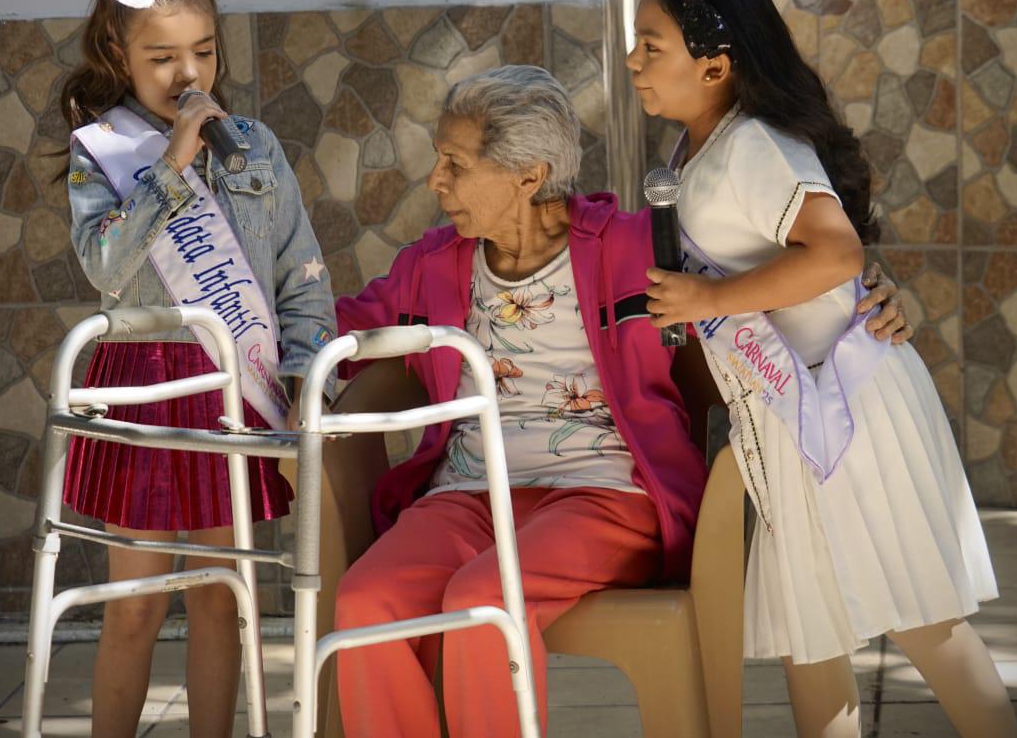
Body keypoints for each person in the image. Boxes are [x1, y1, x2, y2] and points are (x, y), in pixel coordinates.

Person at [328, 64, 910, 737]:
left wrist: (872, 291)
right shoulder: (433, 262)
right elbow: (338, 323)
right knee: (367, 600)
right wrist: (271, 360)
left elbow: (768, 285)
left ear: (528, 175)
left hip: (606, 496)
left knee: (483, 598)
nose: (436, 182)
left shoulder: (635, 248)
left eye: (456, 164)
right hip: (468, 492)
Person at [634, 0, 1017, 738]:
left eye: (652, 45)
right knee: (812, 640)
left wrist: (709, 296)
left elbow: (837, 255)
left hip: (847, 406)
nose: (633, 62)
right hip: (785, 420)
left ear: (715, 64)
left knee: (922, 620)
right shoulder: (699, 148)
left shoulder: (753, 145)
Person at [57, 0, 336, 738]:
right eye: (164, 56)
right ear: (118, 52)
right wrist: (172, 168)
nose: (189, 75)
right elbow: (105, 266)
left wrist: (304, 379)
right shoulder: (104, 155)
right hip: (145, 393)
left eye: (204, 52)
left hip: (233, 393)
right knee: (136, 606)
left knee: (226, 600)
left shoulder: (257, 148)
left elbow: (302, 278)